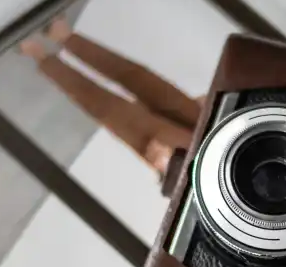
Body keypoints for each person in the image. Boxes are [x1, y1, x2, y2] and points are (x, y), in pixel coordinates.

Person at [20, 17, 201, 181]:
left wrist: (172, 171)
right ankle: (67, 38)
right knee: (144, 80)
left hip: (197, 167)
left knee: (115, 112)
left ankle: (41, 57)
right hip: (214, 130)